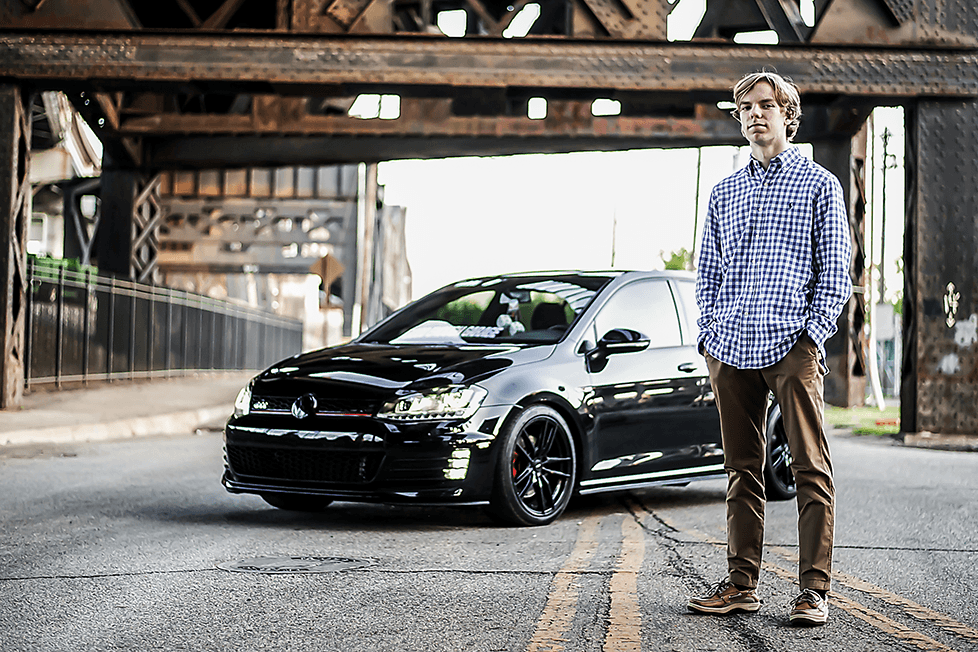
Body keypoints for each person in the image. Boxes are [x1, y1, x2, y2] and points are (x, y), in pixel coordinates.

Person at [687, 71, 852, 626]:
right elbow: (707, 270)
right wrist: (710, 334)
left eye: (765, 105)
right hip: (730, 347)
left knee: (810, 468)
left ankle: (812, 591)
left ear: (788, 113)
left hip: (791, 345)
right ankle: (741, 583)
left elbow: (835, 273)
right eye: (746, 108)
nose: (755, 115)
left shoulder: (819, 186)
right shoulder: (724, 192)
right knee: (741, 470)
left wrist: (812, 333)